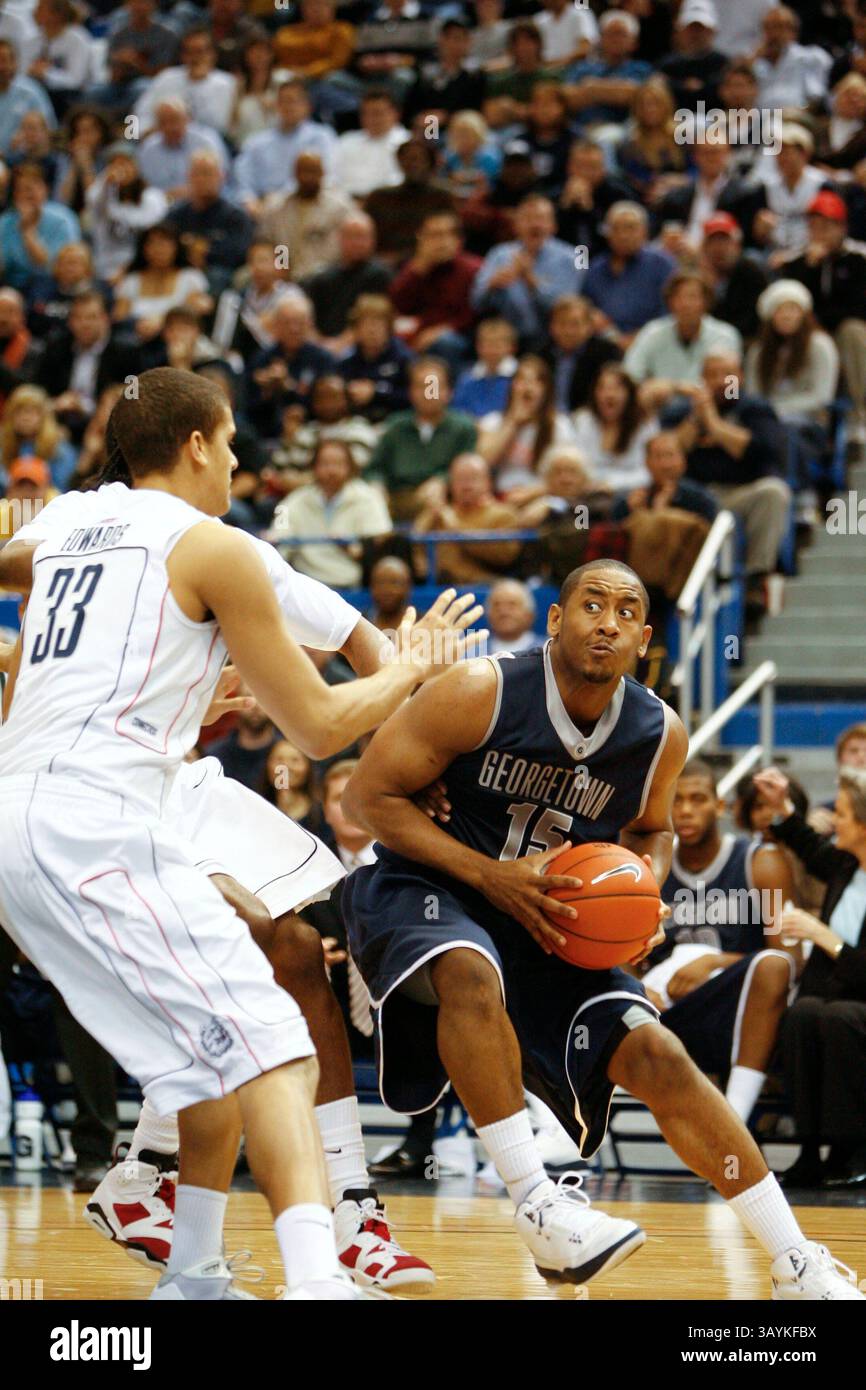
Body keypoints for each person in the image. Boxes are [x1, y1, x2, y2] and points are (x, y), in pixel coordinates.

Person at [0, 366, 480, 1297]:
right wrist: (412, 669)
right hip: (96, 819)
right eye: (227, 444)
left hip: (23, 815)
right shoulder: (212, 546)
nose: (234, 461)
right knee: (277, 1045)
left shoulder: (61, 520)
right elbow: (320, 727)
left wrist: (44, 662)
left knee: (212, 1049)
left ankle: (195, 1270)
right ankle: (315, 1276)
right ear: (194, 446)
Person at [340, 558, 861, 1297]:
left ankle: (795, 1259)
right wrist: (488, 874)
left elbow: (650, 833)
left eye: (625, 612)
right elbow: (369, 798)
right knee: (468, 966)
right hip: (430, 890)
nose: (607, 623)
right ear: (556, 620)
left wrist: (639, 898)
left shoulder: (658, 733)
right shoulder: (480, 691)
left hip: (550, 920)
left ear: (644, 636)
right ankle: (538, 1201)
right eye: (591, 605)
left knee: (661, 1057)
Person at [639, 760, 796, 1128]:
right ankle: (564, 1132)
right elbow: (624, 956)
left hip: (737, 1010)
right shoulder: (652, 869)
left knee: (772, 965)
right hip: (671, 1011)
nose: (687, 810)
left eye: (698, 799)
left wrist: (715, 962)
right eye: (677, 801)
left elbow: (790, 959)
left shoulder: (761, 862)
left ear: (720, 806)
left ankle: (732, 1122)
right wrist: (637, 988)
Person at [754, 767, 866, 1191]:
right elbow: (809, 844)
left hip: (857, 1011)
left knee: (838, 1017)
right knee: (803, 1013)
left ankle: (852, 1150)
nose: (832, 819)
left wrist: (824, 937)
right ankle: (809, 1149)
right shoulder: (847, 867)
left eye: (840, 813)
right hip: (836, 1005)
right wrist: (781, 804)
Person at [666, 350, 792, 614]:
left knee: (774, 492)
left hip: (740, 494)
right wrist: (695, 419)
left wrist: (712, 423)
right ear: (701, 379)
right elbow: (665, 456)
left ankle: (756, 579)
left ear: (741, 377)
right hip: (694, 497)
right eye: (712, 374)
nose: (720, 380)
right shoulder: (681, 411)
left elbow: (755, 451)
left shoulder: (755, 409)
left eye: (728, 374)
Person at [775, 190, 866, 458]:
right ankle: (803, 415)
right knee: (788, 327)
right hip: (806, 335)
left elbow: (859, 308)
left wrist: (820, 322)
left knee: (854, 331)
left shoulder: (859, 259)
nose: (820, 233)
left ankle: (859, 415)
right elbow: (790, 304)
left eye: (827, 226)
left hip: (842, 335)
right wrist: (811, 268)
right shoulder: (795, 262)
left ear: (842, 228)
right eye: (814, 226)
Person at [271, 437, 392, 588]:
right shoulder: (292, 501)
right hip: (307, 584)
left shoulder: (370, 498)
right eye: (325, 464)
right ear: (314, 467)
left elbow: (381, 540)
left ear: (351, 467)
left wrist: (351, 548)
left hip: (353, 584)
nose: (331, 470)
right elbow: (279, 534)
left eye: (338, 464)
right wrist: (273, 538)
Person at [367, 357, 477, 521]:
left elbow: (469, 469)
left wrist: (442, 480)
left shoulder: (463, 427)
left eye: (434, 386)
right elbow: (374, 468)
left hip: (444, 501)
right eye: (422, 387)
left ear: (449, 391)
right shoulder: (395, 426)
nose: (429, 394)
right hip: (395, 499)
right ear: (411, 392)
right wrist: (376, 485)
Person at [471, 193, 583, 345]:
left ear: (553, 225)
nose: (535, 225)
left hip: (553, 341)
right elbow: (475, 302)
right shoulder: (499, 254)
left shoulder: (574, 256)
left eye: (541, 219)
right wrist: (492, 285)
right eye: (528, 218)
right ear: (516, 224)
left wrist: (531, 281)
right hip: (506, 341)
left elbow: (567, 310)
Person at [35, 289, 141, 444]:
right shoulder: (56, 347)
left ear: (105, 319)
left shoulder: (126, 352)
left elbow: (134, 396)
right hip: (59, 423)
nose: (85, 324)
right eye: (78, 318)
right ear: (70, 322)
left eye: (91, 317)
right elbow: (38, 388)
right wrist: (55, 403)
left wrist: (90, 409)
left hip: (107, 427)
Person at [388, 209, 481, 370]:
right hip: (419, 334)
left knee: (443, 343)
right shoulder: (416, 268)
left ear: (458, 240)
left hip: (458, 338)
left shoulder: (472, 269)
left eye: (446, 235)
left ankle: (435, 394)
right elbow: (396, 303)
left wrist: (438, 332)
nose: (441, 242)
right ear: (421, 238)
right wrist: (419, 269)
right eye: (434, 236)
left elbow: (473, 316)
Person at [233, 79, 338, 219]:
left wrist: (278, 201)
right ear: (276, 105)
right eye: (283, 101)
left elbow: (327, 175)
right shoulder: (256, 142)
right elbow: (243, 178)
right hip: (260, 209)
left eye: (294, 101)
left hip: (304, 203)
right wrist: (249, 201)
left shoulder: (321, 136)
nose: (288, 106)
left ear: (308, 106)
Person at [414, 452, 522, 584]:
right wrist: (429, 515)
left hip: (485, 586)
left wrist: (455, 528)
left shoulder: (504, 515)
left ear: (488, 482)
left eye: (473, 478)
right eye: (460, 479)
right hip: (439, 585)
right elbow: (416, 544)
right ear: (451, 483)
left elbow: (506, 555)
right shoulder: (439, 513)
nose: (466, 485)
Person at [623, 269, 742, 388]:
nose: (686, 304)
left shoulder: (726, 335)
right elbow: (629, 375)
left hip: (712, 403)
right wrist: (648, 387)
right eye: (679, 297)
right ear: (670, 303)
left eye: (693, 297)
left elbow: (732, 388)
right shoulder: (652, 332)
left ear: (706, 302)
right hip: (664, 403)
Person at [478, 353, 575, 497]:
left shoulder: (560, 425)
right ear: (512, 387)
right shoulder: (493, 421)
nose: (528, 387)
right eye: (522, 380)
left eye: (536, 382)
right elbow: (483, 462)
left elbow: (567, 475)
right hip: (500, 496)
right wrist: (512, 423)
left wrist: (531, 494)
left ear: (546, 390)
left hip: (543, 496)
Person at [582, 201, 675, 342]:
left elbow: (669, 315)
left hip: (653, 343)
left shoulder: (662, 265)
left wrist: (635, 340)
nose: (623, 235)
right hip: (605, 344)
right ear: (607, 233)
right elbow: (587, 308)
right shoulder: (595, 268)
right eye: (616, 229)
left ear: (644, 231)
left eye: (630, 228)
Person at [255, 151, 354, 283]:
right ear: (294, 173)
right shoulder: (278, 207)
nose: (307, 177)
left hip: (324, 278)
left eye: (313, 171)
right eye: (303, 171)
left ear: (322, 173)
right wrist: (282, 267)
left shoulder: (339, 208)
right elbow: (275, 243)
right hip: (285, 276)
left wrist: (316, 273)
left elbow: (338, 251)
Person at [247, 294, 335, 440]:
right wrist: (267, 391)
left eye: (299, 322)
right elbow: (248, 405)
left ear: (310, 325)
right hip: (265, 435)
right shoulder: (261, 359)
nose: (293, 329)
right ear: (276, 326)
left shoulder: (323, 360)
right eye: (287, 323)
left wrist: (289, 387)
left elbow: (328, 405)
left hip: (314, 432)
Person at [164, 150, 253, 294]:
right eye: (197, 174)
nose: (201, 179)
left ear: (222, 177)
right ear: (189, 177)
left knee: (216, 276)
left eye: (207, 173)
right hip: (180, 270)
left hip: (219, 274)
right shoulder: (175, 215)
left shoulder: (236, 216)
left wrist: (206, 252)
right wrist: (189, 251)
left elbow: (241, 253)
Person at [113, 221, 211, 343]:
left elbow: (201, 307)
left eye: (165, 243)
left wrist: (163, 321)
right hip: (138, 344)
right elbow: (119, 318)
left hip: (179, 343)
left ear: (176, 246)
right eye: (153, 243)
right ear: (144, 248)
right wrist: (139, 325)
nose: (159, 249)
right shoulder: (131, 281)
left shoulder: (191, 278)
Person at [363, 137, 455, 266]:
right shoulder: (379, 197)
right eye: (407, 159)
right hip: (384, 264)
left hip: (431, 262)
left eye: (418, 159)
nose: (413, 164)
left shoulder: (442, 197)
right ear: (399, 162)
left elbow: (451, 238)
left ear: (430, 163)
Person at [85, 142, 168, 281]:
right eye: (115, 164)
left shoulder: (153, 197)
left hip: (141, 269)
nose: (121, 169)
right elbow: (92, 200)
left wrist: (128, 269)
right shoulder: (103, 194)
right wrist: (107, 181)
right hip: (105, 270)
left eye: (126, 163)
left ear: (137, 167)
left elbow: (152, 234)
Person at [134, 26, 237, 136]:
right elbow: (140, 112)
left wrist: (198, 84)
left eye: (200, 52)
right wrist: (142, 133)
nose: (195, 58)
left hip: (205, 145)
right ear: (183, 56)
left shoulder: (227, 83)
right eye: (189, 52)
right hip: (162, 140)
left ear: (212, 54)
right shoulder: (167, 77)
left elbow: (220, 126)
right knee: (121, 149)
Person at [570, 363, 657, 493]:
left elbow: (650, 471)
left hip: (630, 492)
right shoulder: (583, 420)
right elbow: (575, 464)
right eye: (602, 388)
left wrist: (611, 484)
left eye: (617, 388)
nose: (609, 395)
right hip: (587, 491)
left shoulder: (645, 423)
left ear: (629, 394)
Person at [0, 160, 79, 292]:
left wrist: (27, 232)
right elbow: (3, 267)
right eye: (22, 189)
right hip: (13, 288)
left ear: (46, 189)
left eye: (34, 187)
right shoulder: (5, 222)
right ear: (14, 195)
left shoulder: (63, 219)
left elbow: (56, 268)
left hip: (54, 287)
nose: (29, 194)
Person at [336, 293, 411, 423]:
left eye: (378, 325)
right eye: (367, 325)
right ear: (356, 330)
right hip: (355, 422)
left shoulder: (403, 358)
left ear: (389, 328)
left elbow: (414, 397)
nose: (372, 331)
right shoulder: (346, 361)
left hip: (394, 421)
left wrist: (376, 393)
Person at [137, 98, 228, 200]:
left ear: (187, 119)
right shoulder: (148, 150)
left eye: (174, 120)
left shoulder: (206, 141)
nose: (170, 127)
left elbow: (222, 178)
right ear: (156, 125)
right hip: (161, 207)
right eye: (163, 122)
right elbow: (144, 187)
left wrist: (192, 191)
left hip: (204, 203)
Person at [699, 212, 768, 342]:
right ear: (704, 247)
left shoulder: (751, 273)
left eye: (724, 241)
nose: (719, 248)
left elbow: (755, 320)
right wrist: (708, 288)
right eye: (713, 242)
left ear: (736, 245)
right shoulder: (698, 277)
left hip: (744, 340)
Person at [334, 90, 408, 200]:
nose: (371, 119)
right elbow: (332, 177)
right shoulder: (347, 141)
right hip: (347, 203)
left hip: (388, 203)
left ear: (395, 114)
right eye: (365, 113)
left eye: (377, 113)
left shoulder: (407, 143)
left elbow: (399, 183)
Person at [0, 382, 76, 490]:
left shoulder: (60, 450)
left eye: (31, 412)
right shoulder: (3, 445)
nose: (25, 417)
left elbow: (61, 489)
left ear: (44, 417)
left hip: (47, 503)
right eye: (19, 411)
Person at [451, 316, 519, 418]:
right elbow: (457, 411)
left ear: (511, 347)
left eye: (497, 345)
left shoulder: (519, 376)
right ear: (478, 346)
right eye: (488, 344)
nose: (492, 350)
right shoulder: (467, 378)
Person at [0, 37, 56, 158]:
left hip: (23, 162)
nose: (1, 67)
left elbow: (49, 132)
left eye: (4, 60)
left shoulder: (31, 92)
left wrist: (29, 138)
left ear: (15, 63)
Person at [485, 577, 539, 654]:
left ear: (529, 615)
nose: (503, 612)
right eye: (497, 605)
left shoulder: (547, 651)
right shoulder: (472, 651)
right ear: (488, 614)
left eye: (512, 605)